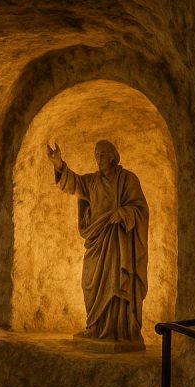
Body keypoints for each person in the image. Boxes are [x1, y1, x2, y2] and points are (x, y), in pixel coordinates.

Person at [45, 140, 148, 346]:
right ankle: (95, 327)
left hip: (119, 244)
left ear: (112, 156)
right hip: (97, 242)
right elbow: (73, 183)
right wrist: (58, 164)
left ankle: (118, 331)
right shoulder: (92, 182)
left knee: (117, 283)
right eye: (96, 155)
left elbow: (141, 209)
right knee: (89, 282)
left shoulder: (128, 180)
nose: (98, 159)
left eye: (102, 154)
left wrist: (123, 213)